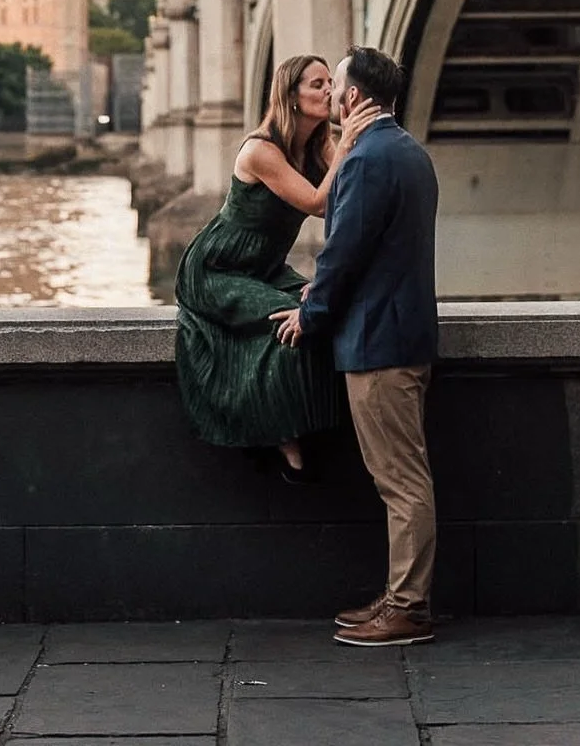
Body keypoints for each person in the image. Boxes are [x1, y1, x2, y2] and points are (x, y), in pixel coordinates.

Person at [272, 46, 439, 646]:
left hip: (379, 343)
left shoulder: (367, 159)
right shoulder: (408, 151)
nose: (332, 94)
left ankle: (408, 608)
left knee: (400, 480)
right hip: (402, 332)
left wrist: (309, 314)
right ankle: (397, 598)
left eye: (336, 84)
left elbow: (342, 253)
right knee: (402, 476)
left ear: (354, 97)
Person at [174, 53, 380, 477]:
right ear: (290, 96)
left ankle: (311, 423)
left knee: (322, 313)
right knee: (285, 324)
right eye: (318, 85)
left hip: (266, 267)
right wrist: (346, 144)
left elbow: (335, 208)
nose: (330, 92)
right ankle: (276, 433)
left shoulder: (319, 146)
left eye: (330, 84)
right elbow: (316, 201)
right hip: (218, 269)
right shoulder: (260, 150)